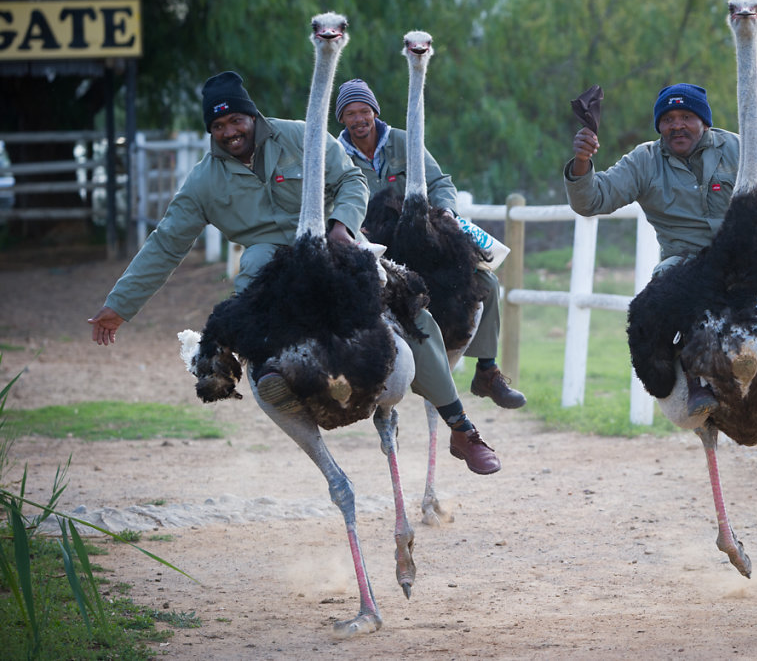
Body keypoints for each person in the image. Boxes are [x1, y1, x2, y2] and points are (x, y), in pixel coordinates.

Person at [88, 71, 501, 475]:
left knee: (407, 304)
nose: (229, 131)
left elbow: (351, 180)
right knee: (241, 314)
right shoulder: (203, 181)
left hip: (327, 240)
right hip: (267, 259)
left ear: (252, 116)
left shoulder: (299, 136)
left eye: (235, 120)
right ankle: (275, 385)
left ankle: (460, 427)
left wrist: (343, 226)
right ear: (210, 130)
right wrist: (119, 306)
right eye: (218, 125)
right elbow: (166, 243)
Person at [564, 83, 757, 476]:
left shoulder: (737, 149)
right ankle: (690, 386)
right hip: (685, 262)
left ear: (703, 121)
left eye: (686, 117)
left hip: (747, 257)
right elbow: (591, 200)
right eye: (667, 119)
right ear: (659, 126)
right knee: (652, 311)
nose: (676, 126)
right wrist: (582, 163)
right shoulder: (644, 161)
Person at [334, 78, 526, 410]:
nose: (358, 119)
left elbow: (439, 181)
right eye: (350, 113)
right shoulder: (334, 152)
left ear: (374, 112)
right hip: (368, 243)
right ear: (342, 119)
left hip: (414, 238)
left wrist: (447, 213)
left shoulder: (403, 142)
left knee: (485, 281)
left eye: (364, 111)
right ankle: (341, 374)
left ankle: (487, 371)